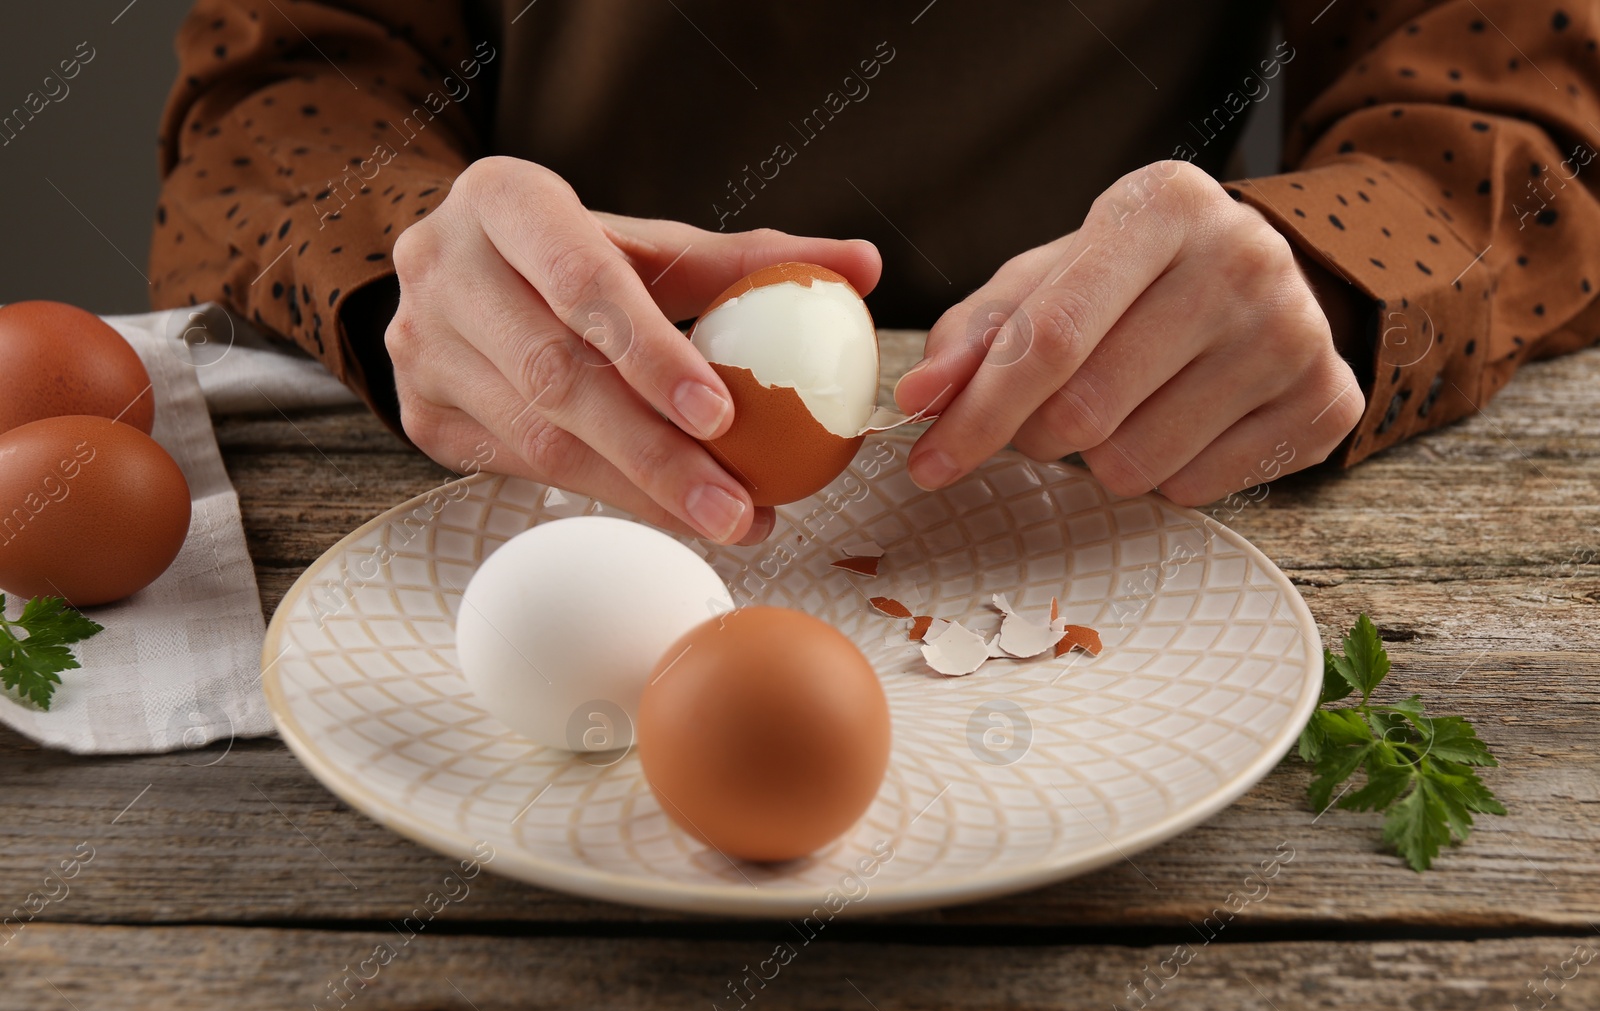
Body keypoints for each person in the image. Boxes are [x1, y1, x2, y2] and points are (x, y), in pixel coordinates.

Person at [149, 1, 1600, 546]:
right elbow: (279, 91)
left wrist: (1329, 271)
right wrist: (410, 265)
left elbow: (1520, 106)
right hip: (545, 452)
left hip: (1080, 464)